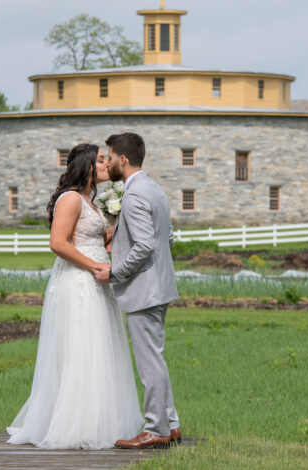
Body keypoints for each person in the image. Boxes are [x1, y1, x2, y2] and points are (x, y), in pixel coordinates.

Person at [6, 143, 144, 449]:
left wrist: (120, 225)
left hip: (97, 280)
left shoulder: (90, 201)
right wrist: (95, 264)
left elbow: (96, 237)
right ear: (87, 166)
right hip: (78, 282)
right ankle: (75, 424)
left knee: (98, 348)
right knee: (82, 347)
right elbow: (58, 242)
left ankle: (97, 420)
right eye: (100, 160)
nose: (107, 164)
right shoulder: (70, 199)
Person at [94, 133, 181, 449]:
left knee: (149, 363)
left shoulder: (132, 195)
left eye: (110, 156)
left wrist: (115, 271)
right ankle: (170, 424)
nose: (108, 161)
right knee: (155, 358)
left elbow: (145, 245)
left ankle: (155, 429)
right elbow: (166, 238)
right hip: (161, 285)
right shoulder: (154, 189)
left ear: (123, 159)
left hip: (144, 288)